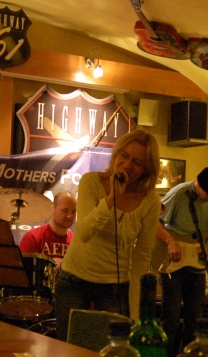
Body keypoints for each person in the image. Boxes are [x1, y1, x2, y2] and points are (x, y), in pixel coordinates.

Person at [53, 129, 160, 341]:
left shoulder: (150, 201)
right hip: (74, 281)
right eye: (124, 155)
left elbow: (141, 257)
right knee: (68, 350)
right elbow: (84, 233)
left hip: (114, 287)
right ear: (116, 154)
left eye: (137, 162)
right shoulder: (91, 182)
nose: (127, 165)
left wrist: (136, 314)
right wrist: (111, 198)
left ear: (147, 169)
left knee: (112, 349)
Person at [155, 166, 208, 357]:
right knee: (171, 318)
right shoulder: (179, 193)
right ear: (199, 186)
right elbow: (155, 221)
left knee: (195, 319)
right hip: (173, 264)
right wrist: (171, 242)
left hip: (198, 265)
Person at [18, 190, 77, 262]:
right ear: (53, 208)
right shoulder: (32, 238)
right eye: (65, 210)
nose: (69, 216)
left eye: (73, 212)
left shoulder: (76, 243)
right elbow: (22, 268)